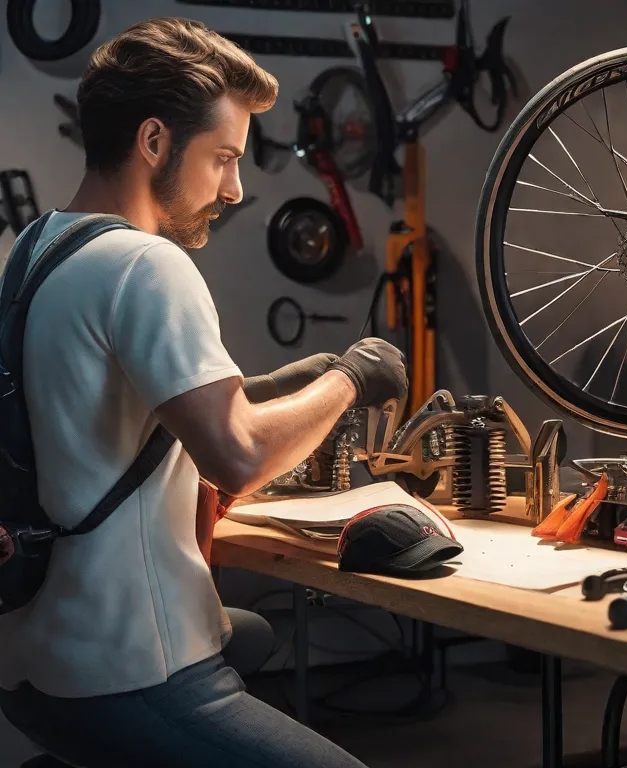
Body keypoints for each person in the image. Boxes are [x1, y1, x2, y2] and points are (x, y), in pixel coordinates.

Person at [0, 17, 407, 768]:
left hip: (29, 652)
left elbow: (96, 409)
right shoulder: (147, 265)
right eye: (222, 158)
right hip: (122, 669)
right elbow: (238, 456)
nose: (235, 188)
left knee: (249, 632)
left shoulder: (37, 249)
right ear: (154, 142)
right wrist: (353, 376)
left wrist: (270, 388)